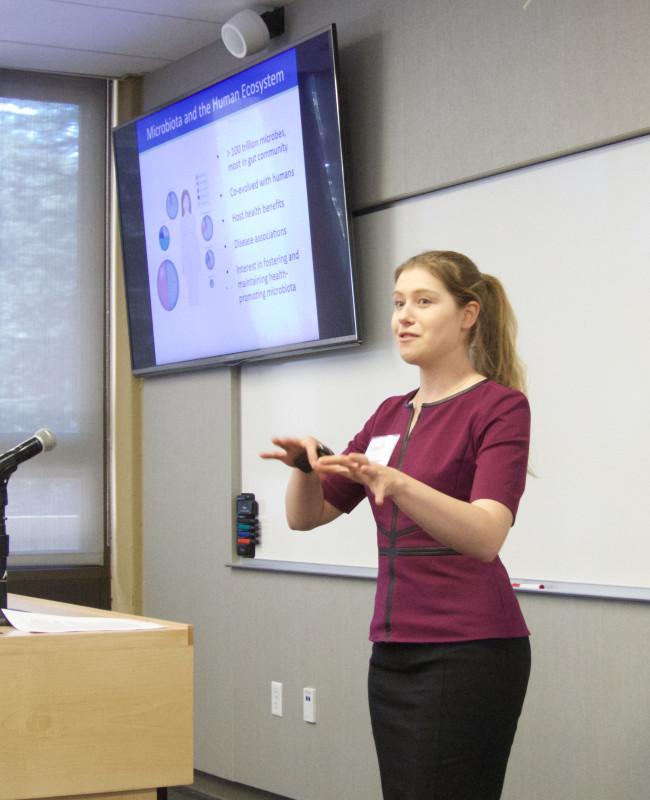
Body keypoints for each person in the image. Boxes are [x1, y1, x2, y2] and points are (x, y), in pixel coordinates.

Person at [260, 250, 531, 800]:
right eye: (398, 303)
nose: (403, 316)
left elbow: (486, 534)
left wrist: (400, 485)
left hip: (468, 648)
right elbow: (305, 517)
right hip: (393, 650)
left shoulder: (499, 407)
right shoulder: (388, 413)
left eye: (424, 302)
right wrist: (304, 468)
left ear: (468, 315)